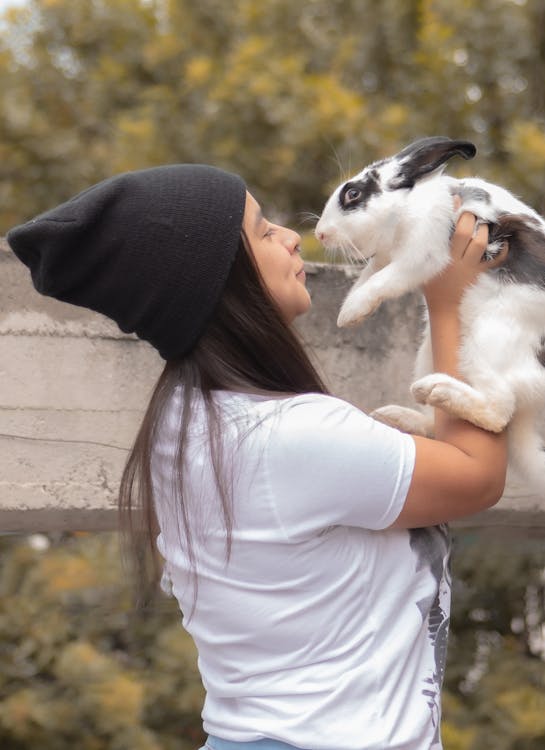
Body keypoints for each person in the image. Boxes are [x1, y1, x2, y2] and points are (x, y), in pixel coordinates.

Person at [7, 164, 507, 750]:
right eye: (263, 231)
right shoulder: (294, 436)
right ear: (218, 281)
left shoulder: (182, 426)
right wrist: (455, 301)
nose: (293, 236)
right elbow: (476, 474)